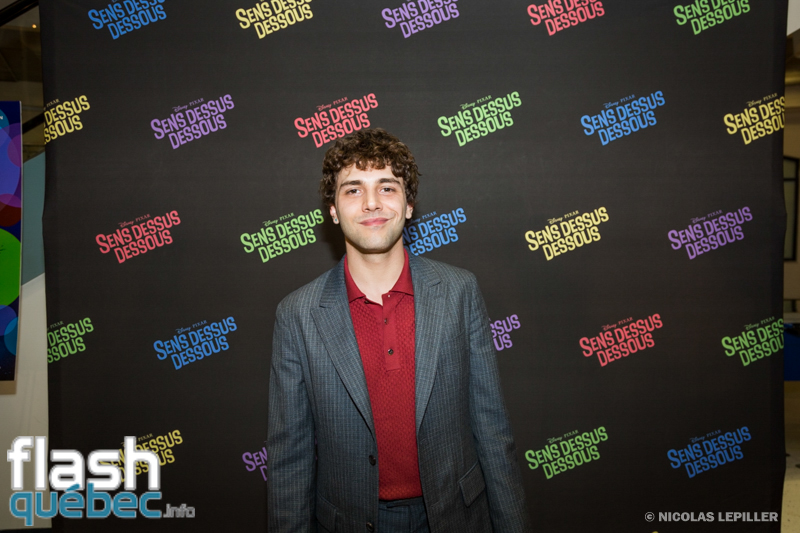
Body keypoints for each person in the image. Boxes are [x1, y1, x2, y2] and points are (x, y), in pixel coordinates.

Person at [267, 128, 531, 533]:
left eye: (386, 187)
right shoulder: (297, 315)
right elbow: (290, 458)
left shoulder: (459, 291)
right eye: (353, 190)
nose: (371, 202)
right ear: (333, 211)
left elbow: (492, 429)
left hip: (456, 517)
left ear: (408, 205)